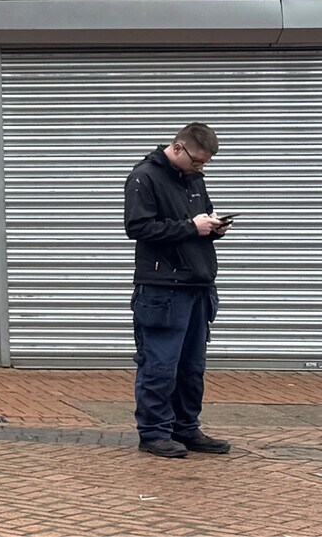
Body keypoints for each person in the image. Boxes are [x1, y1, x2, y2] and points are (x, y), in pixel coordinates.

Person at [125, 122, 232, 458]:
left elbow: (196, 223)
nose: (201, 168)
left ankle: (186, 428)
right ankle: (154, 432)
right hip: (162, 288)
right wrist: (191, 227)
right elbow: (138, 226)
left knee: (191, 366)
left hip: (197, 284)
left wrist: (212, 227)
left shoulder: (194, 180)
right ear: (178, 147)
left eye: (205, 164)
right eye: (197, 161)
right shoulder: (144, 177)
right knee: (160, 364)